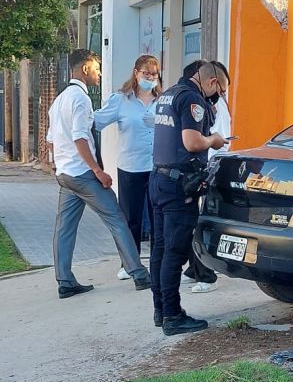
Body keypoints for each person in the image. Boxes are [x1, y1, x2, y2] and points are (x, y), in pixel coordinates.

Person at [48, 49, 150, 299]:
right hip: (83, 174)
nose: (99, 73)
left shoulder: (59, 99)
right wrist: (97, 170)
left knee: (64, 228)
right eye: (96, 67)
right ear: (85, 69)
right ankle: (138, 273)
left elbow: (50, 140)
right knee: (117, 218)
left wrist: (58, 167)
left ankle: (65, 281)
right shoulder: (80, 99)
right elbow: (81, 138)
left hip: (66, 174)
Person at [150, 59, 228, 335]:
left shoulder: (169, 93)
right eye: (222, 89)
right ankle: (173, 316)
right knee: (174, 252)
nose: (220, 95)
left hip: (159, 179)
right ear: (212, 82)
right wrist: (214, 140)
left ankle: (161, 310)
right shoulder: (192, 98)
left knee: (160, 249)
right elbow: (192, 142)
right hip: (178, 186)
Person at [94, 54, 161, 280]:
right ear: (136, 73)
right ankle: (130, 263)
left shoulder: (161, 101)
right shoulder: (121, 99)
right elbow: (97, 121)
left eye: (154, 74)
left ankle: (157, 261)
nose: (150, 78)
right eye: (146, 74)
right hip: (131, 166)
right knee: (130, 218)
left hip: (156, 166)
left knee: (156, 217)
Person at [183, 59, 232, 294]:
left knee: (202, 221)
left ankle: (206, 273)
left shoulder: (211, 104)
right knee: (194, 220)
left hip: (211, 165)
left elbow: (217, 138)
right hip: (203, 166)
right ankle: (195, 268)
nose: (221, 94)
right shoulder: (199, 101)